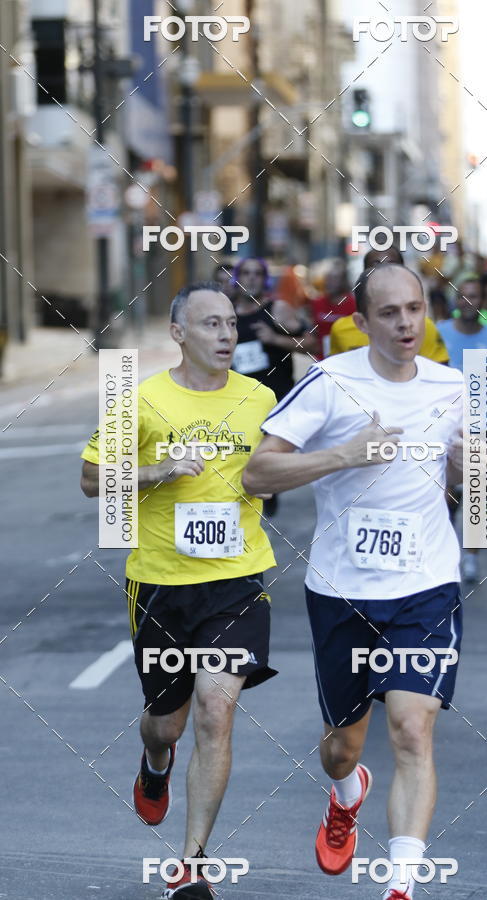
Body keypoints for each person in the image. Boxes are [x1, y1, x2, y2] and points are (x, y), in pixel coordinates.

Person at [243, 263, 464, 900]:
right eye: (389, 313)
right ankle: (347, 793)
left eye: (416, 310)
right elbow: (258, 475)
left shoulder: (454, 387)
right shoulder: (330, 383)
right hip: (342, 588)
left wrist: (469, 471)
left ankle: (400, 884)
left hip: (426, 585)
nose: (405, 323)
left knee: (412, 728)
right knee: (344, 744)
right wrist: (343, 454)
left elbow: (479, 499)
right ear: (361, 322)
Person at [80, 282, 278, 898]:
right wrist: (156, 470)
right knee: (167, 726)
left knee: (217, 712)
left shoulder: (260, 398)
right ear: (179, 333)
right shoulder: (141, 401)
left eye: (231, 324)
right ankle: (154, 763)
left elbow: (282, 465)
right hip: (161, 583)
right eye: (211, 324)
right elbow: (91, 480)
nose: (226, 335)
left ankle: (192, 867)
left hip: (238, 579)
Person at [437, 275, 487, 583]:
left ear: (482, 301)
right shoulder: (439, 333)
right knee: (441, 495)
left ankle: (471, 557)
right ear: (456, 301)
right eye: (463, 296)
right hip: (442, 425)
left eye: (474, 296)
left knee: (481, 494)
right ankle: (444, 552)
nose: (468, 301)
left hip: (482, 425)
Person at [230, 257, 313, 516]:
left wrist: (275, 338)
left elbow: (309, 343)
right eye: (246, 273)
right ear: (237, 278)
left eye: (257, 274)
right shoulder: (227, 311)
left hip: (273, 392)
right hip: (238, 392)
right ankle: (252, 488)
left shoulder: (277, 308)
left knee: (266, 447)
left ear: (264, 278)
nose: (251, 278)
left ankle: (268, 490)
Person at [328, 246, 450, 364]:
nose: (383, 272)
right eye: (375, 265)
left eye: (391, 265)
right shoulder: (340, 329)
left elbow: (440, 378)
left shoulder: (424, 328)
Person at [310, 258, 356, 358]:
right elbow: (313, 331)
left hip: (346, 357)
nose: (330, 283)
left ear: (343, 281)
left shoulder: (353, 304)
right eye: (328, 278)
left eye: (334, 279)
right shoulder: (317, 303)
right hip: (322, 359)